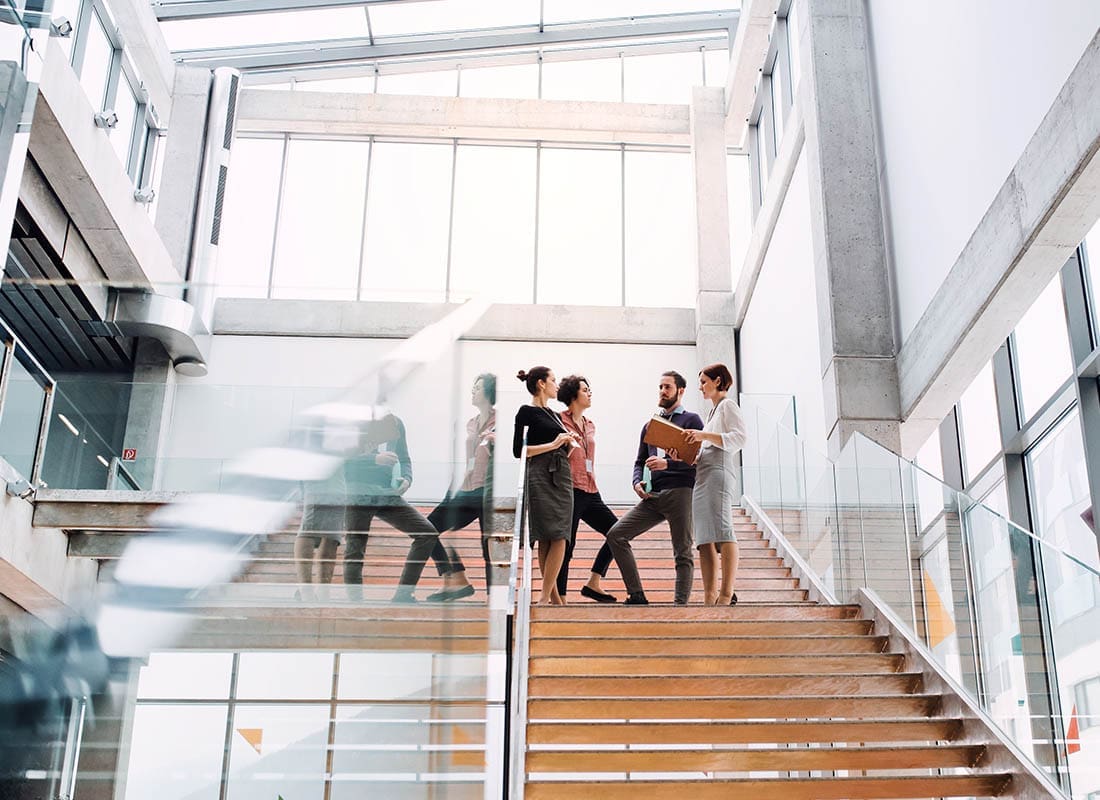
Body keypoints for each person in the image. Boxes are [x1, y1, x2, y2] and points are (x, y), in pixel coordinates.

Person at [606, 371, 704, 605]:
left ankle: (680, 606)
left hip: (680, 492)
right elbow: (639, 461)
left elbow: (698, 460)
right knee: (616, 535)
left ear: (680, 391)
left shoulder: (692, 420)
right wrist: (636, 481)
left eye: (667, 387)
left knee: (682, 551)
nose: (662, 391)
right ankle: (637, 594)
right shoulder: (650, 425)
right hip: (652, 495)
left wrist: (667, 463)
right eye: (660, 387)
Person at [342, 414, 452, 603]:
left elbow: (404, 458)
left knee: (427, 533)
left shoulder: (396, 423)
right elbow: (343, 459)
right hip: (358, 492)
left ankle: (403, 594)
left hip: (387, 492)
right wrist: (375, 459)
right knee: (355, 548)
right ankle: (356, 603)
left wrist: (407, 479)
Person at [417, 373, 496, 603]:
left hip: (487, 491)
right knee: (426, 529)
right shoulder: (471, 422)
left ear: (489, 392)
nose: (473, 391)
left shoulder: (500, 421)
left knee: (488, 545)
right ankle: (456, 576)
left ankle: (494, 599)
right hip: (466, 489)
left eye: (477, 387)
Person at [681, 363, 748, 605]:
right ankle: (709, 595)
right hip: (703, 473)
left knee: (723, 529)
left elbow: (740, 438)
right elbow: (706, 448)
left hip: (719, 472)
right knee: (704, 537)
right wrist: (685, 454)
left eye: (703, 382)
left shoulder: (728, 405)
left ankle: (726, 593)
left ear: (718, 381)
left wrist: (702, 436)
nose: (700, 387)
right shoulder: (712, 413)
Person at [513, 366, 578, 605]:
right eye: (553, 380)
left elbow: (559, 442)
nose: (556, 385)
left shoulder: (553, 413)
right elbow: (519, 451)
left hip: (561, 473)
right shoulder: (525, 411)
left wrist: (568, 442)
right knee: (546, 535)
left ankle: (553, 598)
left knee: (560, 534)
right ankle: (547, 597)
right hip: (539, 473)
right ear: (541, 383)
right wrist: (554, 443)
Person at [556, 375, 619, 603]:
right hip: (569, 490)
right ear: (573, 395)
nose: (590, 393)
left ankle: (593, 582)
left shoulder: (590, 424)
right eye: (585, 390)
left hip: (591, 490)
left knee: (618, 533)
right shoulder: (558, 421)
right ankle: (560, 598)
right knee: (566, 545)